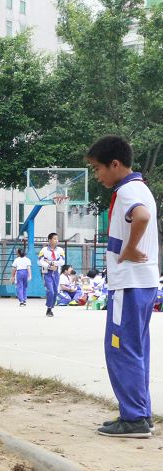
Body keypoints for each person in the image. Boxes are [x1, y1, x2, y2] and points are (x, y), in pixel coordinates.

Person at [87, 135, 157, 438]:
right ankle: (139, 413)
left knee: (120, 350)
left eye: (97, 168)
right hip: (143, 283)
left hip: (128, 285)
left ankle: (134, 418)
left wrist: (129, 249)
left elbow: (140, 216)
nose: (96, 175)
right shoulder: (138, 188)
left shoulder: (128, 191)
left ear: (115, 164)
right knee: (135, 350)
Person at [38, 232, 65, 317]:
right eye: (54, 238)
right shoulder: (44, 250)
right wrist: (49, 266)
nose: (56, 240)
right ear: (49, 240)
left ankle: (51, 307)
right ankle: (49, 308)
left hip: (56, 272)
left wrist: (52, 262)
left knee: (56, 291)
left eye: (57, 238)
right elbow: (39, 261)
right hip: (47, 273)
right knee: (51, 291)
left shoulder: (60, 250)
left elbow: (62, 261)